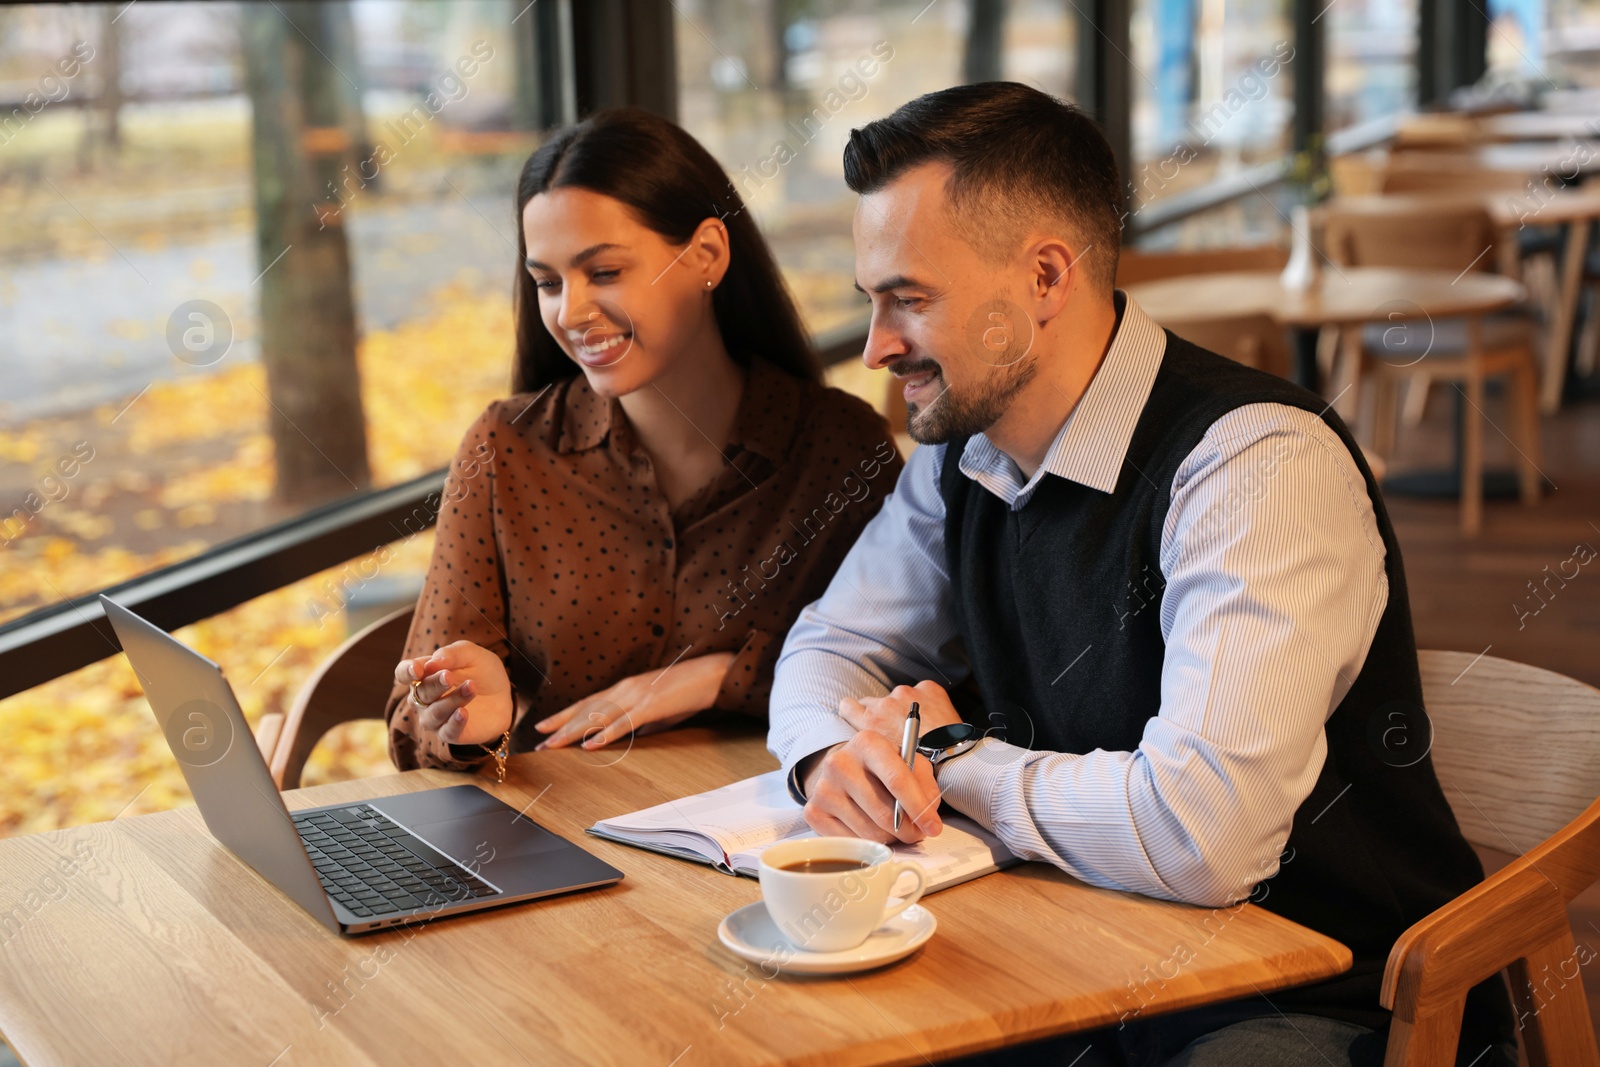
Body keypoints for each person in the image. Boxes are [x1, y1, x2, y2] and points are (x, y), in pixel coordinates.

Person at [766, 83, 1515, 1067]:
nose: (875, 348)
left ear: (1043, 276)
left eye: (909, 298)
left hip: (1323, 994)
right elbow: (832, 644)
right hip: (1073, 950)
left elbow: (1204, 837)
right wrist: (837, 759)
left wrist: (947, 757)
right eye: (872, 301)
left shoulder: (1255, 465)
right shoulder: (962, 457)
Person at [385, 108, 903, 772]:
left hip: (780, 847)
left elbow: (908, 671)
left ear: (707, 255)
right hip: (561, 841)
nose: (569, 313)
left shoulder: (840, 453)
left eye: (603, 273)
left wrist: (721, 675)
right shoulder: (504, 449)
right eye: (547, 282)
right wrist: (468, 720)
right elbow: (409, 723)